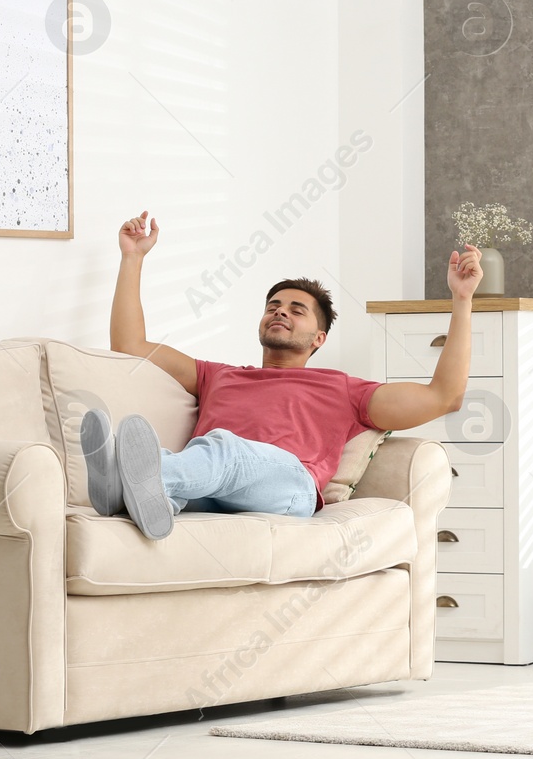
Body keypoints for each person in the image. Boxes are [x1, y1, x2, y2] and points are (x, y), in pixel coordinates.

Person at [81, 209, 483, 539]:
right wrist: (132, 258)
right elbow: (130, 348)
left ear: (318, 338)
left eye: (296, 309)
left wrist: (461, 300)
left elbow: (443, 396)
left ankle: (127, 477)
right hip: (215, 490)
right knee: (204, 468)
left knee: (221, 445)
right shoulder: (218, 376)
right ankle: (155, 497)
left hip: (288, 489)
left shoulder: (342, 390)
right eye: (273, 305)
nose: (280, 311)